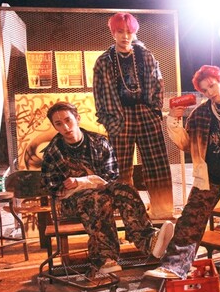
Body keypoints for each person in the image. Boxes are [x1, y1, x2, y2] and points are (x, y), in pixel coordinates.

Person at [144, 65, 220, 292]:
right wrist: (174, 120)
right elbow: (185, 145)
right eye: (205, 89)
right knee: (190, 220)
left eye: (212, 85)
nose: (210, 92)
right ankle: (174, 266)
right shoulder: (200, 113)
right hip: (209, 177)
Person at [40, 101, 174, 274]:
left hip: (102, 193)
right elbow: (49, 187)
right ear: (55, 127)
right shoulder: (53, 151)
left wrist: (83, 181)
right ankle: (105, 258)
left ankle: (148, 241)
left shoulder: (99, 142)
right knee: (98, 199)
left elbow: (111, 177)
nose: (65, 127)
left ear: (77, 118)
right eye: (58, 124)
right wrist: (73, 187)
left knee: (125, 189)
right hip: (70, 204)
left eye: (68, 120)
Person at [93, 12, 173, 220]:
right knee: (120, 168)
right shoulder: (103, 61)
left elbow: (158, 82)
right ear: (113, 33)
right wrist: (109, 120)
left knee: (156, 164)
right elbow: (98, 94)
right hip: (119, 114)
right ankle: (127, 213)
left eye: (129, 31)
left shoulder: (145, 55)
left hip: (145, 111)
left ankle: (162, 210)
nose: (125, 36)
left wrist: (154, 110)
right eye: (120, 31)